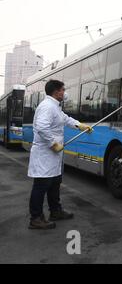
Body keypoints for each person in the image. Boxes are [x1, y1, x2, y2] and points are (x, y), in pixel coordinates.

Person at [28, 80, 92, 230]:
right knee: (41, 186)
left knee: (55, 183)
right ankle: (35, 218)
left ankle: (55, 211)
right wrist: (53, 144)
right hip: (45, 153)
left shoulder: (55, 107)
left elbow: (65, 119)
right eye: (63, 89)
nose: (65, 92)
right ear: (56, 91)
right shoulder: (47, 107)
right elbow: (42, 127)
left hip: (53, 156)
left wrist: (80, 125)